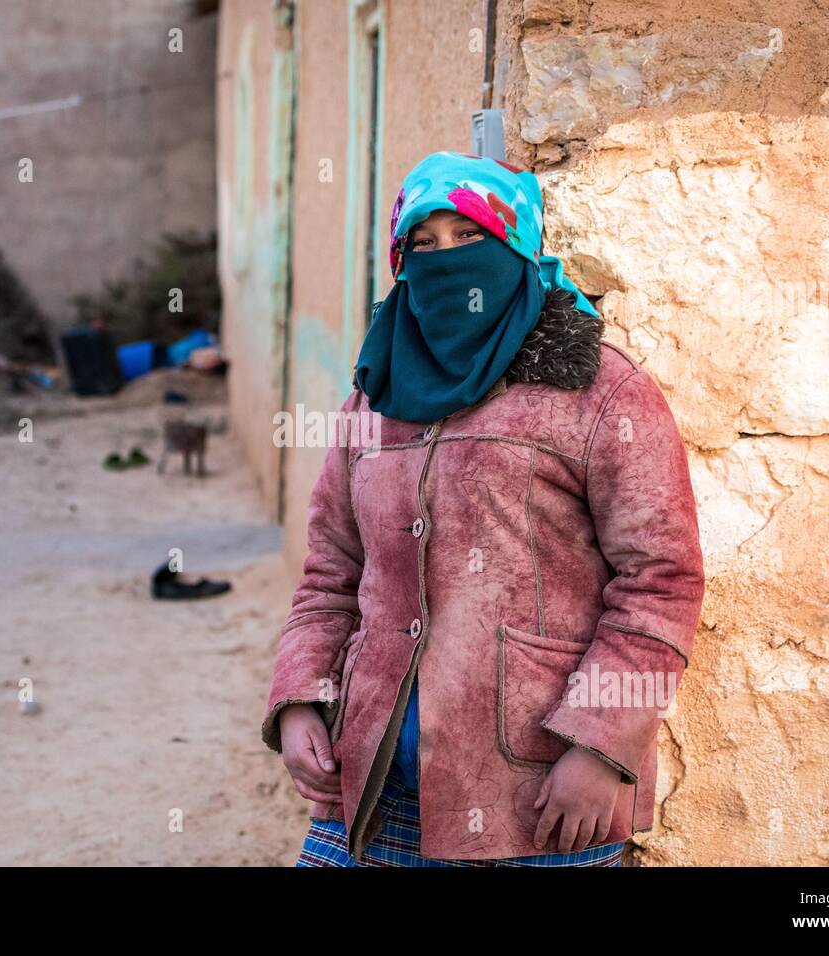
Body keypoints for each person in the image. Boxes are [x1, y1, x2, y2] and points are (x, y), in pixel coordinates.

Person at [260, 150, 706, 866]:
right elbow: (330, 574)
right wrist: (300, 699)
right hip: (372, 784)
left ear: (517, 247)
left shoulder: (600, 392)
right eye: (424, 244)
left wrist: (601, 744)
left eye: (468, 237)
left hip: (537, 799)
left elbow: (662, 582)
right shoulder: (374, 397)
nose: (446, 260)